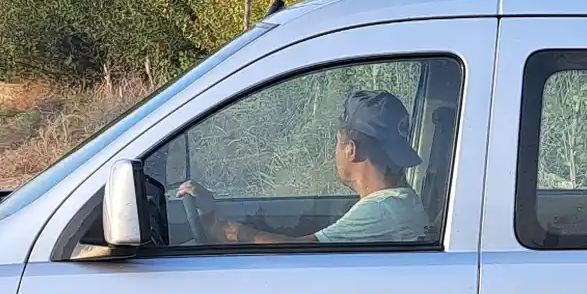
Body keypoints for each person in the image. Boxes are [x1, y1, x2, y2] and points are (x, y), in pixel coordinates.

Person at [177, 89, 432, 245]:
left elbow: (298, 250)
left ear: (351, 150)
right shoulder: (402, 201)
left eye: (336, 142)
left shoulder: (381, 210)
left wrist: (216, 226)